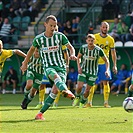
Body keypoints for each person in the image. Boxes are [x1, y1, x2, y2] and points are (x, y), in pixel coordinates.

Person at [20, 15, 77, 120]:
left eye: (54, 26)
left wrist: (72, 54)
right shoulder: (39, 39)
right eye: (51, 25)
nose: (53, 28)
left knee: (55, 91)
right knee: (53, 76)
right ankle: (65, 90)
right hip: (48, 67)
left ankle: (40, 114)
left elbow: (70, 47)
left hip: (61, 67)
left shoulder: (60, 36)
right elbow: (31, 51)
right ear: (45, 24)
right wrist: (25, 63)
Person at [85, 22, 117, 108]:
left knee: (105, 82)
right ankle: (89, 102)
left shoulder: (110, 39)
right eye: (103, 27)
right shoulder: (94, 37)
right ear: (100, 28)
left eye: (106, 27)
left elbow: (113, 54)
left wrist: (114, 65)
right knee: (91, 83)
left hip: (104, 64)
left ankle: (106, 102)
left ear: (108, 28)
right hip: (94, 64)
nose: (104, 29)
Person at [72, 34, 110, 107]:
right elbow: (78, 57)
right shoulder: (83, 48)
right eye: (89, 41)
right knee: (79, 87)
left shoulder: (98, 50)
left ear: (94, 41)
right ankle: (77, 97)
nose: (90, 42)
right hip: (83, 70)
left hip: (93, 73)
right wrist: (79, 67)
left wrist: (107, 70)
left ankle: (82, 102)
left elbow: (106, 60)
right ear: (86, 41)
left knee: (87, 90)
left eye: (92, 41)